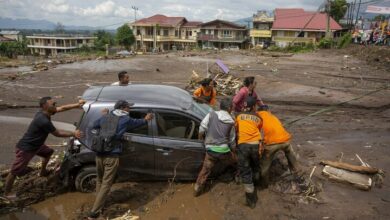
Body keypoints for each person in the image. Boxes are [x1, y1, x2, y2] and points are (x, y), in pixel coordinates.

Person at [3, 97, 84, 199]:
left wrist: (77, 105)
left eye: (55, 104)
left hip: (37, 145)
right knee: (14, 172)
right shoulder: (43, 120)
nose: (55, 106)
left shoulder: (45, 113)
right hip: (26, 149)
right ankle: (7, 193)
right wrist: (74, 133)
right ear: (45, 106)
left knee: (48, 152)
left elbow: (62, 108)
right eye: (52, 104)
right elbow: (57, 133)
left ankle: (42, 172)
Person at [88, 100, 153, 220]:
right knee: (106, 184)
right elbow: (139, 122)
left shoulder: (106, 116)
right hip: (111, 156)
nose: (129, 110)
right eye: (128, 107)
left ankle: (99, 203)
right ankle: (94, 212)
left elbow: (93, 126)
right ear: (123, 108)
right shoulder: (126, 119)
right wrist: (147, 118)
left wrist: (103, 116)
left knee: (100, 180)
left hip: (99, 154)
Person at [194, 98, 236, 197]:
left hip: (210, 150)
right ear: (229, 108)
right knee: (235, 161)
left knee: (205, 170)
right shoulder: (231, 122)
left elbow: (201, 128)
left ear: (220, 106)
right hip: (223, 151)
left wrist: (201, 140)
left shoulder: (211, 115)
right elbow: (232, 140)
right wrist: (234, 151)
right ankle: (236, 174)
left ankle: (197, 189)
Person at [257, 105, 300, 187]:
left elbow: (258, 134)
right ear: (268, 111)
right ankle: (297, 171)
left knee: (265, 165)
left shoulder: (257, 117)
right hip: (285, 141)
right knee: (291, 155)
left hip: (271, 144)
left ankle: (264, 184)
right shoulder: (273, 117)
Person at [235, 96, 263, 208]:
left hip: (243, 146)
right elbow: (259, 129)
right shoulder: (258, 117)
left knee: (245, 170)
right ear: (254, 107)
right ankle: (257, 182)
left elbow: (236, 130)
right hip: (256, 145)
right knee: (256, 165)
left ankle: (251, 200)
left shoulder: (238, 116)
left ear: (245, 105)